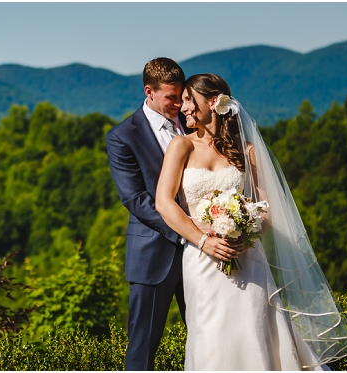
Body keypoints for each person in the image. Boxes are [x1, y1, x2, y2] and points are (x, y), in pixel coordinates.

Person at [155, 73, 347, 370]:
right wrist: (205, 241)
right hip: (201, 260)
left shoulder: (245, 150)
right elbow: (164, 203)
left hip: (248, 258)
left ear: (213, 102)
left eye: (188, 100)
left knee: (255, 330)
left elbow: (268, 207)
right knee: (209, 334)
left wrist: (245, 231)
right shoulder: (180, 147)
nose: (182, 108)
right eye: (182, 101)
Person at [105, 58, 231, 370]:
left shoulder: (193, 123)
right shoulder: (123, 136)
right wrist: (190, 228)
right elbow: (135, 198)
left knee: (212, 338)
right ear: (149, 92)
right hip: (153, 254)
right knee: (142, 348)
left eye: (182, 96)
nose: (179, 104)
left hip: (205, 257)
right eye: (171, 97)